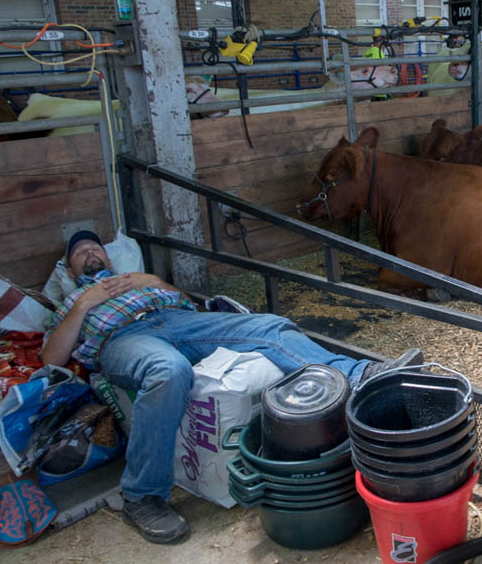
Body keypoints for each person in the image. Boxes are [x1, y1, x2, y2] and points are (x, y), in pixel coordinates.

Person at [41, 230, 423, 544]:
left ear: (110, 258)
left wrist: (154, 282)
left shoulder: (140, 282)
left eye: (96, 249)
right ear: (70, 269)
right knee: (169, 371)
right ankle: (141, 496)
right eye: (80, 253)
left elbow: (188, 304)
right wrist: (83, 305)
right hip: (124, 338)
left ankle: (363, 376)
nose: (91, 253)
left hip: (176, 320)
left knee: (268, 326)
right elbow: (51, 358)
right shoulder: (73, 301)